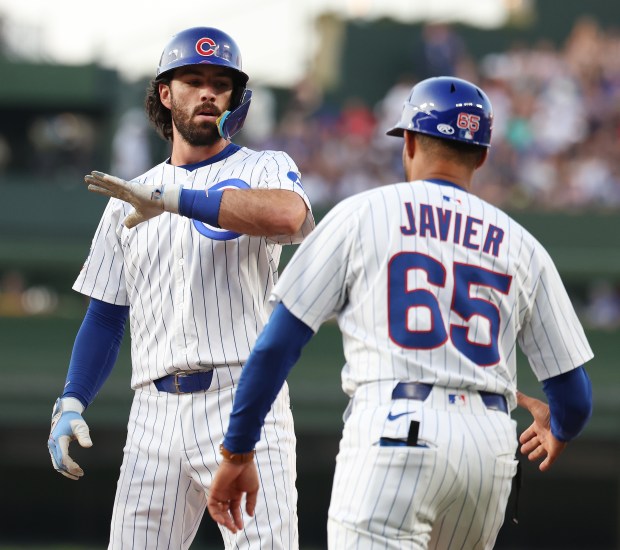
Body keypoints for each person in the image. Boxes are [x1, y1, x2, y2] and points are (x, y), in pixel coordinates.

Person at [206, 76, 593, 549]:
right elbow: (574, 399)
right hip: (489, 448)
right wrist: (561, 427)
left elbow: (274, 349)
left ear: (407, 142)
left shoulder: (362, 213)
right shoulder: (523, 245)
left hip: (394, 428)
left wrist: (237, 448)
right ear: (484, 155)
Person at [46, 26, 314, 550]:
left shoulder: (264, 166)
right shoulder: (126, 195)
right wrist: (72, 399)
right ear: (166, 94)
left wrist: (172, 198)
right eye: (193, 80)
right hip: (152, 411)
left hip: (242, 399)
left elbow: (288, 216)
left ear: (236, 99)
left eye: (221, 82)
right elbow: (105, 316)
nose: (208, 92)